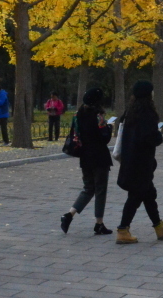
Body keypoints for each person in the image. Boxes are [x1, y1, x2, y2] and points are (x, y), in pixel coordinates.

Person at [114, 80, 163, 244]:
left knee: (149, 195)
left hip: (130, 160)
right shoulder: (148, 113)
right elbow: (150, 138)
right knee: (136, 196)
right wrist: (158, 136)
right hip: (142, 162)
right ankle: (122, 230)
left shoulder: (130, 112)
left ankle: (159, 226)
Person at [60, 88, 114, 236]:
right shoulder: (99, 116)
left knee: (88, 188)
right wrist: (109, 127)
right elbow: (104, 137)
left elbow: (76, 134)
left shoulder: (78, 115)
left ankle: (69, 214)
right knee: (100, 190)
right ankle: (99, 223)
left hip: (85, 156)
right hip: (100, 157)